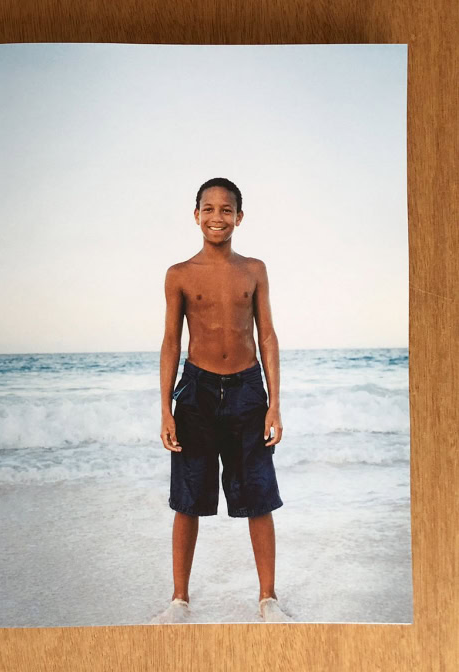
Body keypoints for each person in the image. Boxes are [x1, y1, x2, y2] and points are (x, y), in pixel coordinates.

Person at [151, 177, 290, 624]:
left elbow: (266, 335)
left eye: (226, 210)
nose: (217, 217)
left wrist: (274, 402)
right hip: (197, 392)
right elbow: (171, 341)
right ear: (196, 215)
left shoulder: (254, 269)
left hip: (248, 390)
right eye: (208, 209)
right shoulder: (179, 274)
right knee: (188, 499)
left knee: (259, 498)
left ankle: (268, 599)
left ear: (239, 217)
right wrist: (165, 408)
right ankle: (179, 601)